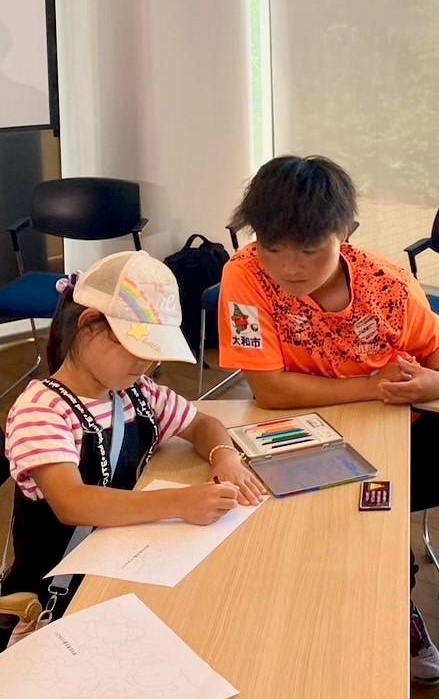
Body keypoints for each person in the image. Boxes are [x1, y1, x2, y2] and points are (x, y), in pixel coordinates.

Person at [216, 156, 439, 686]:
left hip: (403, 431)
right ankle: (396, 608)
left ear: (345, 233)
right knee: (372, 516)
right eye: (272, 247)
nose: (288, 266)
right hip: (310, 439)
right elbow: (269, 390)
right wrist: (375, 387)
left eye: (309, 250)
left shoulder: (386, 283)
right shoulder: (245, 275)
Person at [3, 251, 265, 639]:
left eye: (153, 353)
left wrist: (223, 455)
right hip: (57, 595)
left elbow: (202, 424)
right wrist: (180, 503)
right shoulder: (42, 410)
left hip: (123, 561)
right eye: (137, 348)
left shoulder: (137, 393)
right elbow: (72, 502)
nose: (147, 364)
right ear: (89, 326)